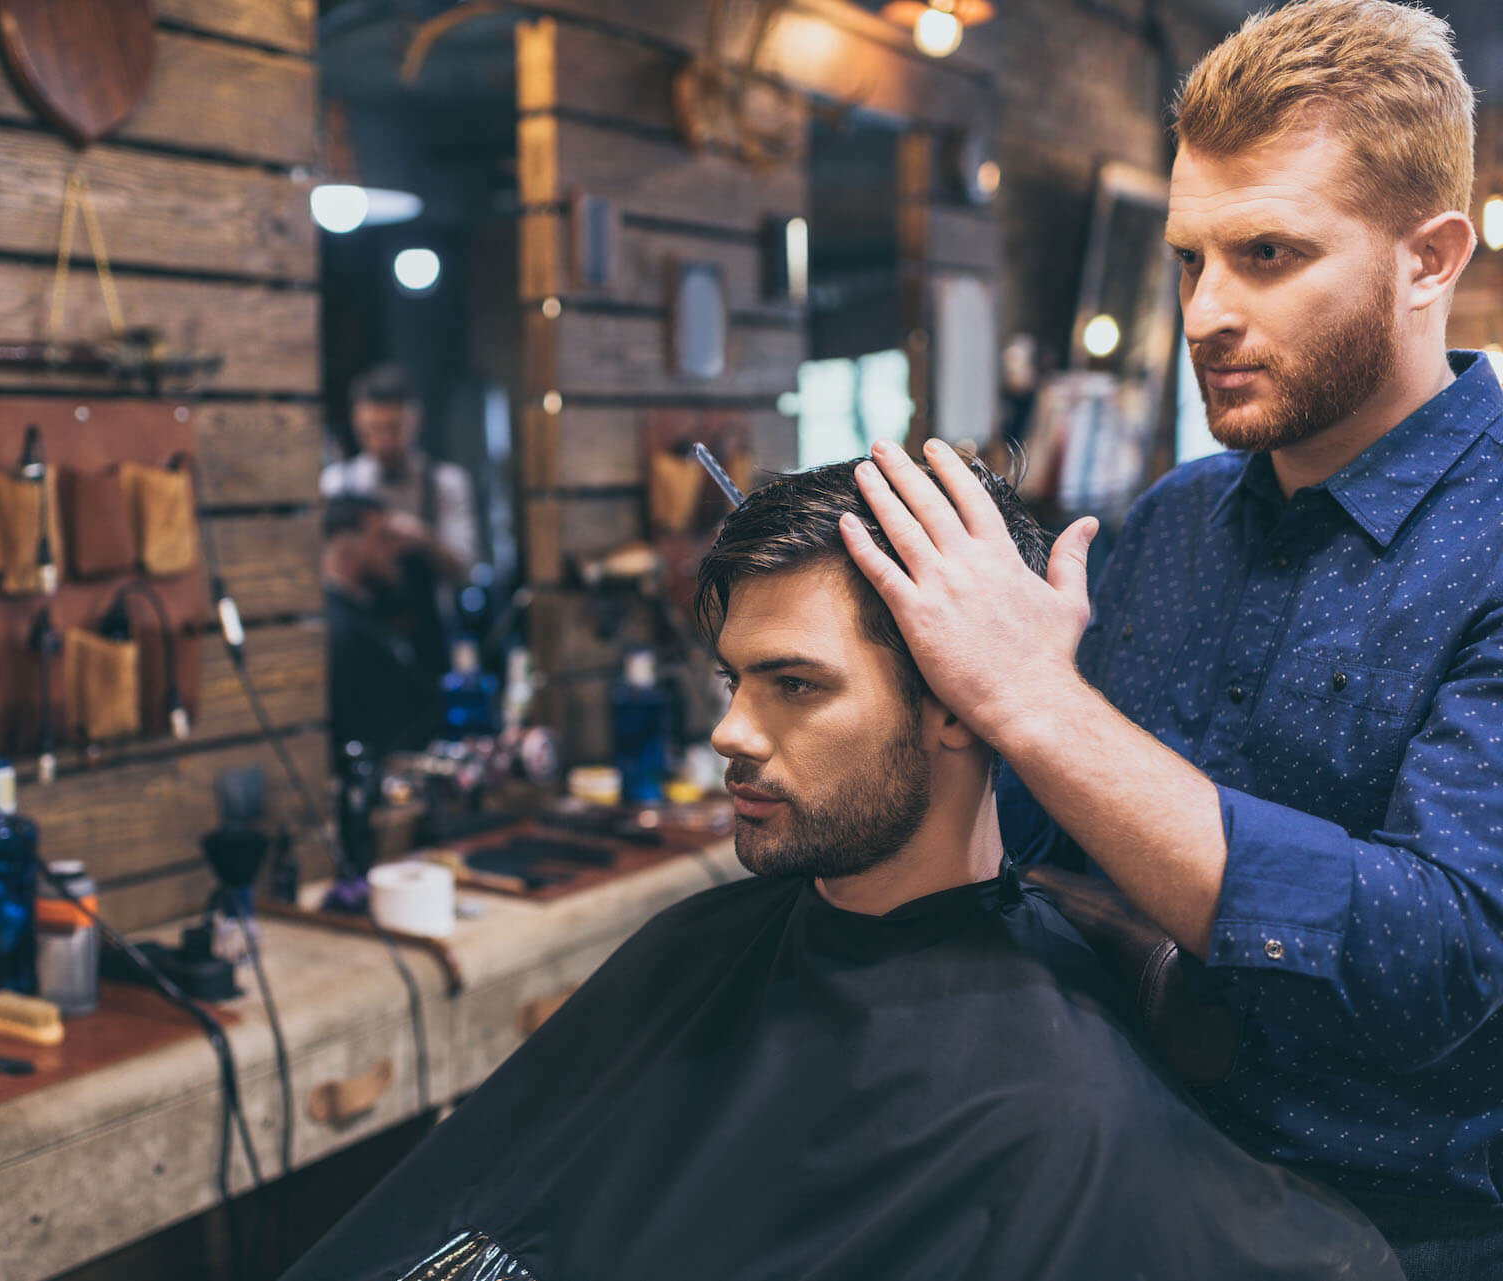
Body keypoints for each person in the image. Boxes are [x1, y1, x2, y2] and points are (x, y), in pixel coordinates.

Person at [278, 458, 1399, 1281]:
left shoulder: (1045, 1112)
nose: (729, 732)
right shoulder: (699, 950)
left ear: (962, 704)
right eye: (733, 681)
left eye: (794, 685)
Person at [842, 3, 1503, 1274]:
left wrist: (1042, 704)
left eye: (1266, 254)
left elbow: (1446, 963)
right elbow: (1052, 825)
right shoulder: (1176, 522)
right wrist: (898, 714)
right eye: (1189, 259)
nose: (1204, 313)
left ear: (1429, 260)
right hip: (1111, 1157)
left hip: (1391, 1235)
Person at [322, 363, 479, 677]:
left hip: (427, 637)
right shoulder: (336, 482)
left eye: (393, 428)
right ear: (356, 422)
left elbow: (465, 570)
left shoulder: (446, 483)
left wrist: (422, 539)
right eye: (371, 430)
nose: (382, 441)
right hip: (359, 636)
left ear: (415, 421)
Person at [321, 494, 439, 753]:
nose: (397, 549)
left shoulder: (369, 614)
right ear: (345, 548)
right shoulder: (339, 630)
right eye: (382, 538)